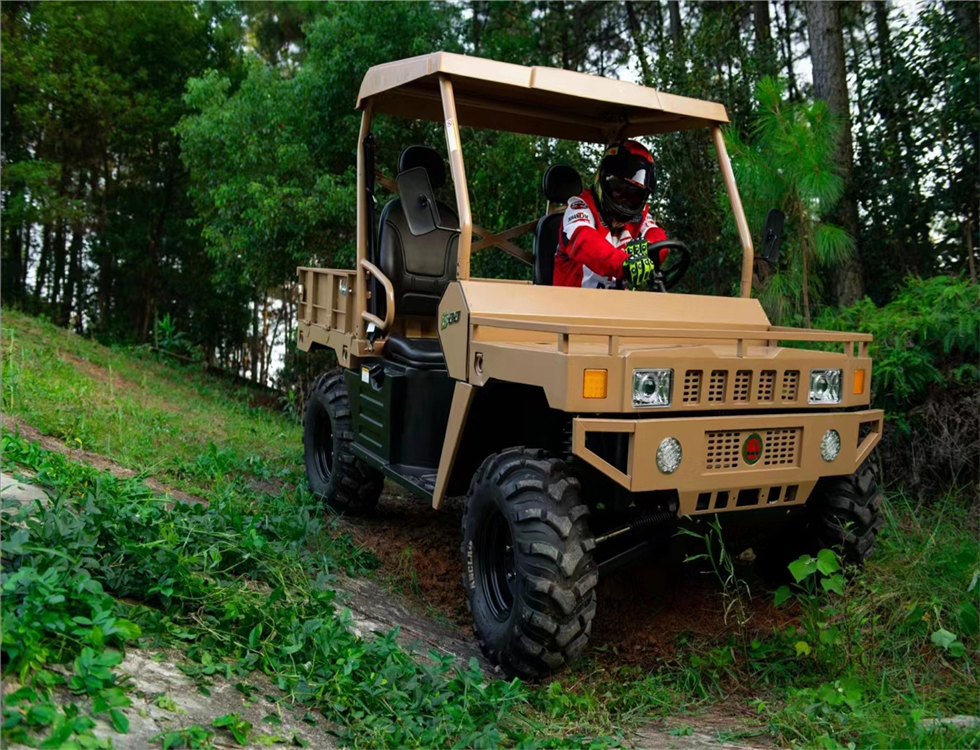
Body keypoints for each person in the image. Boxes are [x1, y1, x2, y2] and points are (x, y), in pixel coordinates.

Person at [553, 140, 669, 289]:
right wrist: (625, 264)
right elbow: (584, 240)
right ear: (602, 180)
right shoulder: (579, 206)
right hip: (570, 307)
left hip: (617, 308)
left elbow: (657, 236)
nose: (624, 200)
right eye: (619, 190)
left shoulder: (638, 215)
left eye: (634, 196)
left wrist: (648, 251)